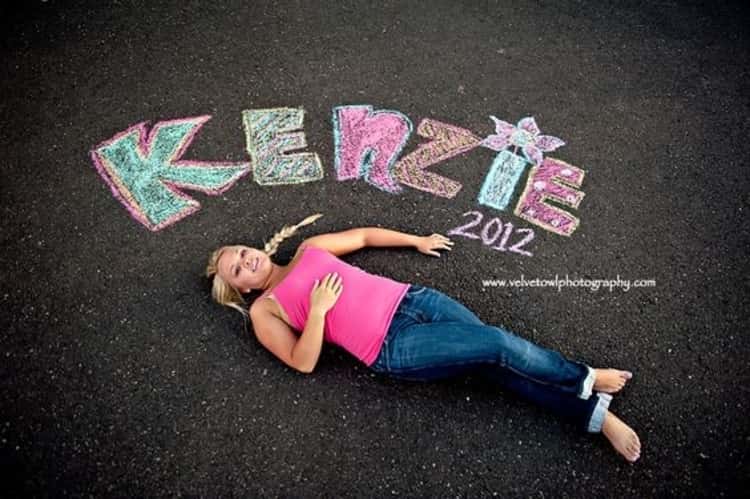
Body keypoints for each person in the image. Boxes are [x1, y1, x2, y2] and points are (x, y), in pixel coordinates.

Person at [205, 213, 641, 462]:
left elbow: (361, 236)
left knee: (495, 364)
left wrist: (415, 241)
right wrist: (317, 312)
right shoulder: (265, 310)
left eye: (243, 253)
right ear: (241, 288)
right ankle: (584, 377)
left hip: (416, 301)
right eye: (238, 270)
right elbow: (302, 361)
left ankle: (595, 417)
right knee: (497, 344)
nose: (247, 262)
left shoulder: (309, 249)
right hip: (392, 347)